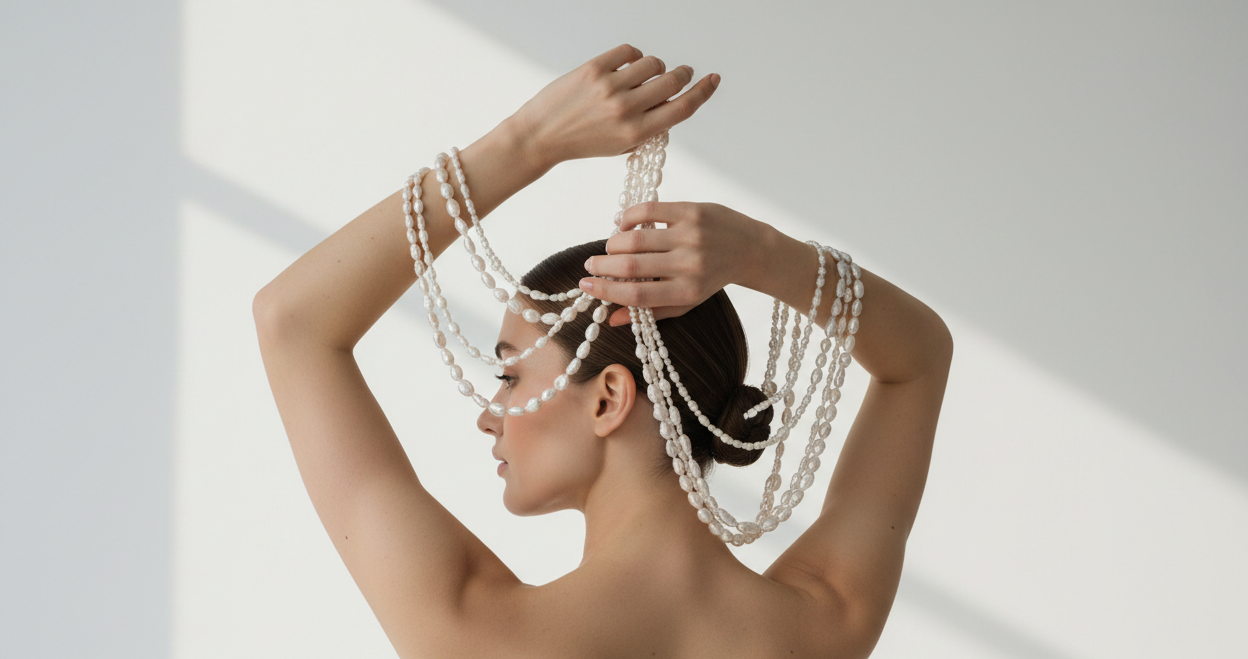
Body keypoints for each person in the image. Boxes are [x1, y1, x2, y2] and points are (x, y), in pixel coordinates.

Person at [254, 44, 952, 659]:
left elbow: (293, 322)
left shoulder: (474, 627)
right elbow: (918, 358)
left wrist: (526, 143)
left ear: (609, 397)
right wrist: (765, 256)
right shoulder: (827, 620)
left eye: (509, 373)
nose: (489, 413)